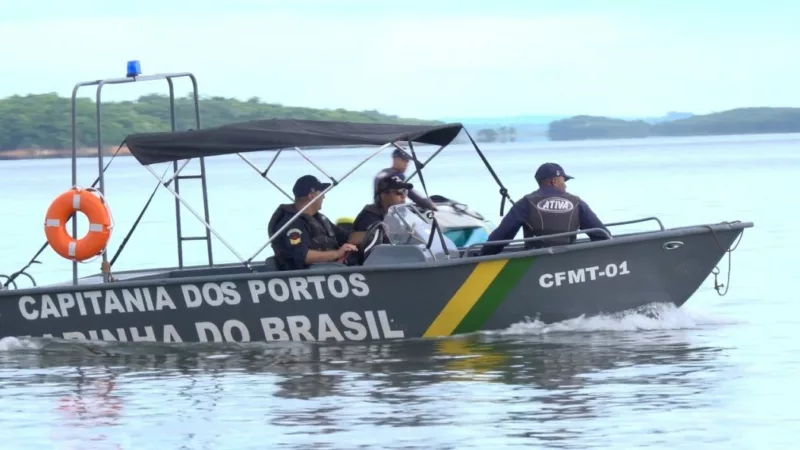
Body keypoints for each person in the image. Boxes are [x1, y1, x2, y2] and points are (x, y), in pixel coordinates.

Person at [479, 162, 610, 256]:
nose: (565, 185)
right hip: (569, 260)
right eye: (563, 180)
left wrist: (481, 256)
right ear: (554, 181)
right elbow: (602, 235)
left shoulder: (525, 203)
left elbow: (501, 236)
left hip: (534, 264)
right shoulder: (576, 202)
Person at [268, 174, 365, 270]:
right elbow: (303, 256)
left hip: (330, 269)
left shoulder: (319, 219)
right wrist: (337, 253)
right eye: (321, 193)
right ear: (312, 196)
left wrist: (370, 234)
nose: (324, 196)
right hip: (308, 275)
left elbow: (347, 237)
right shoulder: (292, 224)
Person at [373, 148, 438, 211]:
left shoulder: (385, 172)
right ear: (395, 159)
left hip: (385, 208)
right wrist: (430, 205)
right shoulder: (394, 176)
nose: (406, 164)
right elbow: (412, 194)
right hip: (388, 211)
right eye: (404, 160)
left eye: (407, 161)